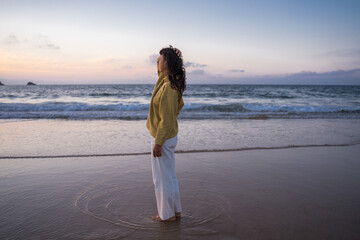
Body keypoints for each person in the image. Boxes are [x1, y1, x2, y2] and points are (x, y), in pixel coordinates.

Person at [146, 45, 186, 222]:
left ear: (167, 63)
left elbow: (167, 120)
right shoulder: (165, 80)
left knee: (161, 179)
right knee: (169, 176)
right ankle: (175, 212)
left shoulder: (168, 87)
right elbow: (169, 119)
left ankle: (166, 215)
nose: (157, 63)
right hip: (167, 136)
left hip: (164, 138)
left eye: (160, 60)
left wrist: (158, 143)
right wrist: (168, 57)